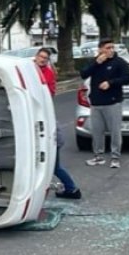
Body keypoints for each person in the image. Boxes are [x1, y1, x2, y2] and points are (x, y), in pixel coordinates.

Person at [80, 39, 129, 169]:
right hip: (96, 102)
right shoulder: (95, 62)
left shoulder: (119, 62)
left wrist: (111, 82)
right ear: (100, 49)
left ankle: (115, 157)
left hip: (113, 102)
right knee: (97, 131)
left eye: (112, 47)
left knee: (115, 131)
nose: (111, 50)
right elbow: (83, 74)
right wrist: (96, 63)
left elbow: (127, 77)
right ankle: (98, 156)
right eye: (108, 47)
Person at [35, 48, 80, 199]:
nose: (42, 60)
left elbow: (47, 91)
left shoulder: (46, 74)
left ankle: (72, 189)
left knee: (54, 167)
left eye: (45, 58)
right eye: (40, 57)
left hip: (52, 138)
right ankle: (69, 188)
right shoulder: (33, 69)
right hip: (51, 135)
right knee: (53, 167)